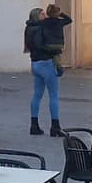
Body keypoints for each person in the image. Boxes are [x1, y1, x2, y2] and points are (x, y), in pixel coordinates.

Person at [24, 8, 63, 137]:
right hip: (46, 62)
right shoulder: (41, 28)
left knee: (37, 95)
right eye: (42, 14)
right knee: (54, 95)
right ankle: (55, 126)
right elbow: (43, 44)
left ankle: (34, 124)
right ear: (37, 16)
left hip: (35, 63)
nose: (45, 15)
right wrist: (54, 51)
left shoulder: (29, 28)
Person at [38, 4, 73, 74]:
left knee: (50, 53)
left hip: (48, 43)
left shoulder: (44, 22)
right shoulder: (60, 22)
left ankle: (52, 67)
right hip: (59, 44)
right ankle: (58, 66)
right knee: (56, 54)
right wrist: (61, 14)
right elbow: (69, 20)